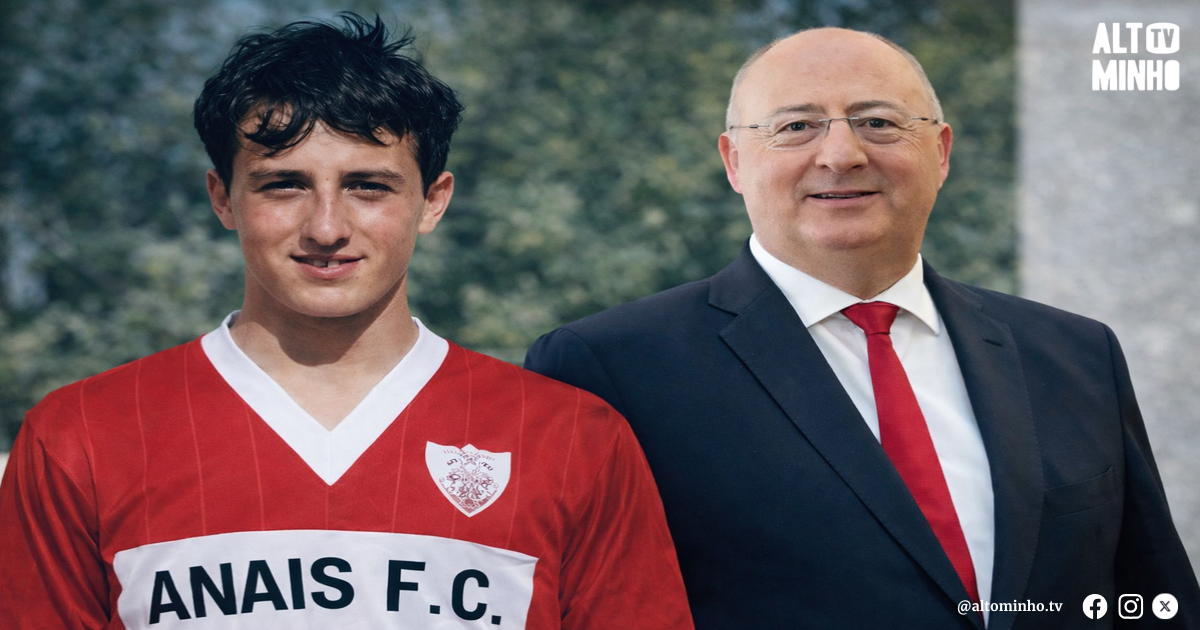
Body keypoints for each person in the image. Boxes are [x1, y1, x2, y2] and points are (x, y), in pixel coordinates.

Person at [0, 14, 692, 629]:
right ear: (223, 198)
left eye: (368, 186)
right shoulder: (83, 436)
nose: (326, 227)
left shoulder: (574, 439)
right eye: (284, 184)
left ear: (432, 201)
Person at [525, 27, 1200, 629]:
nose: (842, 154)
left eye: (879, 122)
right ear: (734, 162)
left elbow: (1154, 602)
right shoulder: (607, 369)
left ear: (941, 152)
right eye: (796, 126)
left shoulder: (1077, 355)